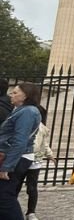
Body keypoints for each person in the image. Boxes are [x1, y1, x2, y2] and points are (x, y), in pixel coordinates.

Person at [0, 82, 42, 220]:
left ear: (25, 96)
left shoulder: (27, 112)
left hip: (16, 158)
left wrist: (7, 166)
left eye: (15, 92)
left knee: (5, 196)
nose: (11, 95)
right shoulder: (21, 110)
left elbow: (20, 140)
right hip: (15, 156)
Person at [21, 105, 55, 220]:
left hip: (35, 159)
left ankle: (31, 212)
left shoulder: (41, 127)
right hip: (23, 157)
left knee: (31, 187)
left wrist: (49, 154)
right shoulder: (24, 123)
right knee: (16, 185)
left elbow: (44, 143)